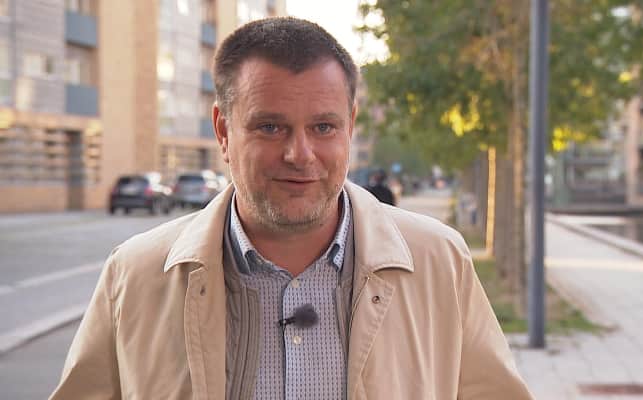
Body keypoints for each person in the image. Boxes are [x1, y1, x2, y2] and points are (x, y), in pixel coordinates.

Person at [50, 17, 533, 400]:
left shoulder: (438, 262)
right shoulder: (134, 276)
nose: (299, 154)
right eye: (270, 127)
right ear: (223, 130)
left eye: (323, 127)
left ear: (350, 127)